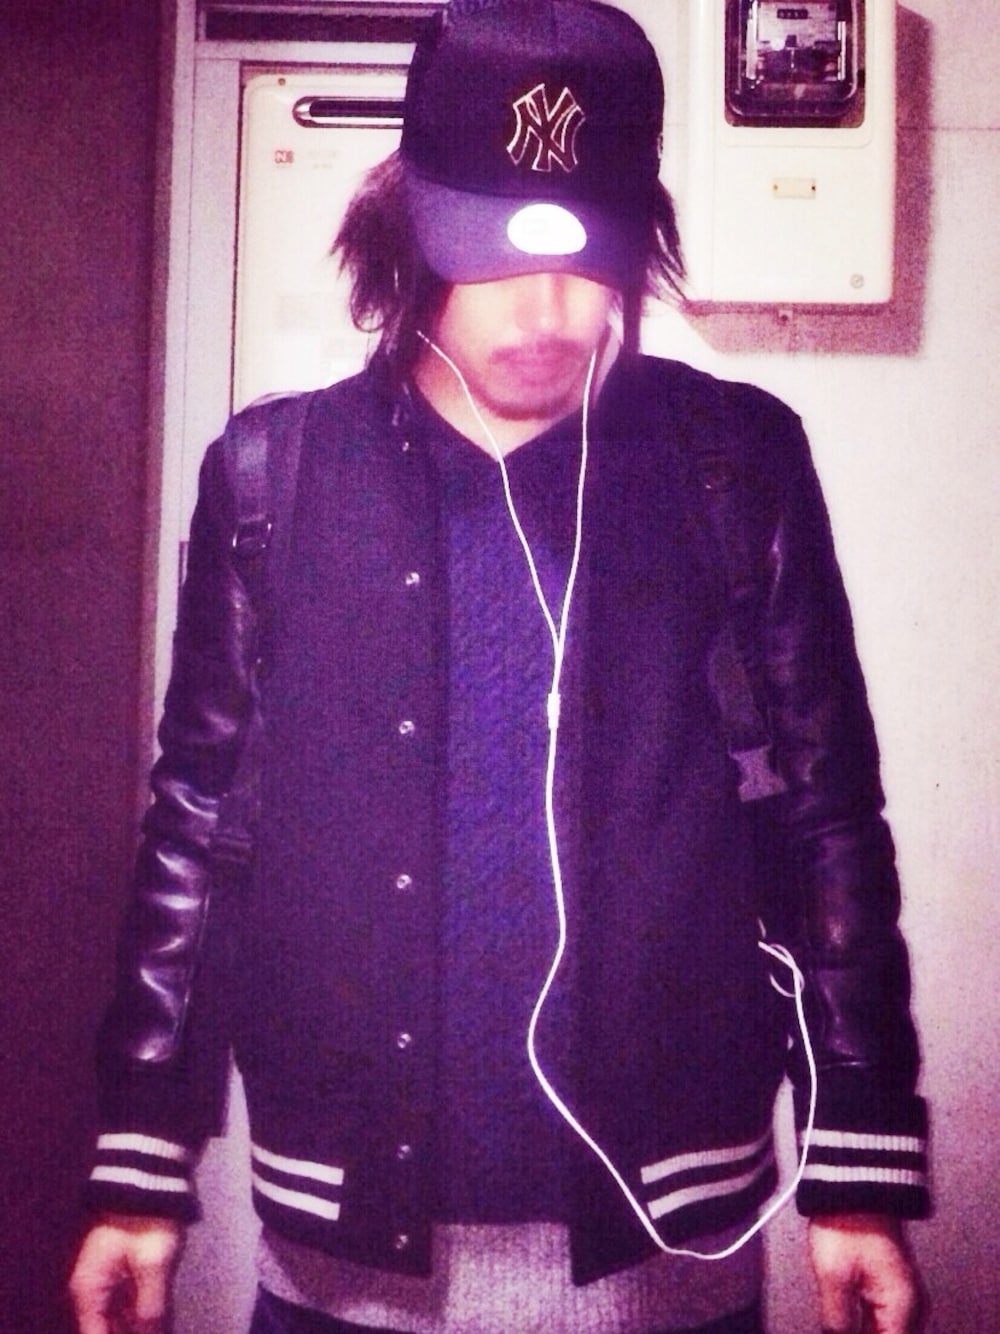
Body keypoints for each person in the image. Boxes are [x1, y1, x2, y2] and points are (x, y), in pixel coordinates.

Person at [69, 2, 930, 1331]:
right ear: (410, 228)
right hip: (342, 1266)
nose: (545, 311)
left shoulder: (734, 463)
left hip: (669, 1252)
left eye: (585, 260)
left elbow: (827, 823)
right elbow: (199, 827)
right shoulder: (271, 475)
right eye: (496, 258)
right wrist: (141, 1162)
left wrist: (857, 1164)